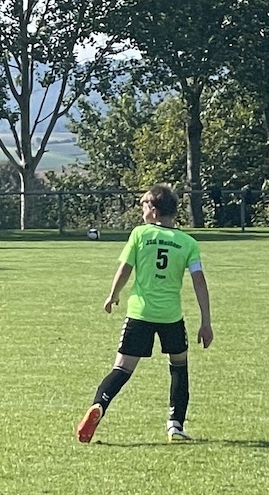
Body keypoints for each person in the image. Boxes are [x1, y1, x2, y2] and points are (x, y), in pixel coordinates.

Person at [76, 184, 213, 444]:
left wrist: (113, 294)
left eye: (144, 205)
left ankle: (99, 405)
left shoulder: (140, 234)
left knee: (122, 368)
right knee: (179, 366)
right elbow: (199, 281)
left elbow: (125, 268)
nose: (141, 210)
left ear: (155, 210)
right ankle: (175, 425)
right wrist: (206, 321)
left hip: (140, 314)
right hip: (170, 317)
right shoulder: (188, 243)